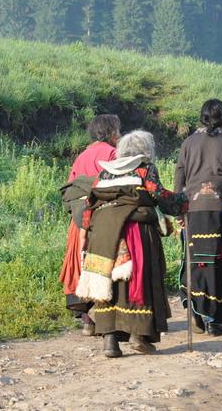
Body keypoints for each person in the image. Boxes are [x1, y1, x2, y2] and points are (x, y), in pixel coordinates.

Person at [76, 130, 187, 358]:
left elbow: (89, 204)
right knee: (138, 280)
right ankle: (138, 335)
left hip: (103, 234)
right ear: (146, 151)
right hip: (134, 231)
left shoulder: (105, 172)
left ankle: (110, 341)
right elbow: (159, 195)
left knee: (107, 281)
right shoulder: (144, 169)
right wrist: (184, 200)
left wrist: (86, 235)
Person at [174, 99, 222, 337]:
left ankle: (196, 310)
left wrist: (179, 210)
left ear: (202, 117)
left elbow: (180, 178)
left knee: (197, 261)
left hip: (194, 210)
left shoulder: (188, 143)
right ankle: (216, 321)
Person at [59, 114, 121, 336]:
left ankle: (86, 320)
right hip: (103, 218)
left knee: (80, 263)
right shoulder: (112, 153)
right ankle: (109, 320)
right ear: (111, 132)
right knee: (107, 265)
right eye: (118, 130)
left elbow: (71, 188)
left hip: (78, 220)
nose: (120, 135)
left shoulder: (81, 156)